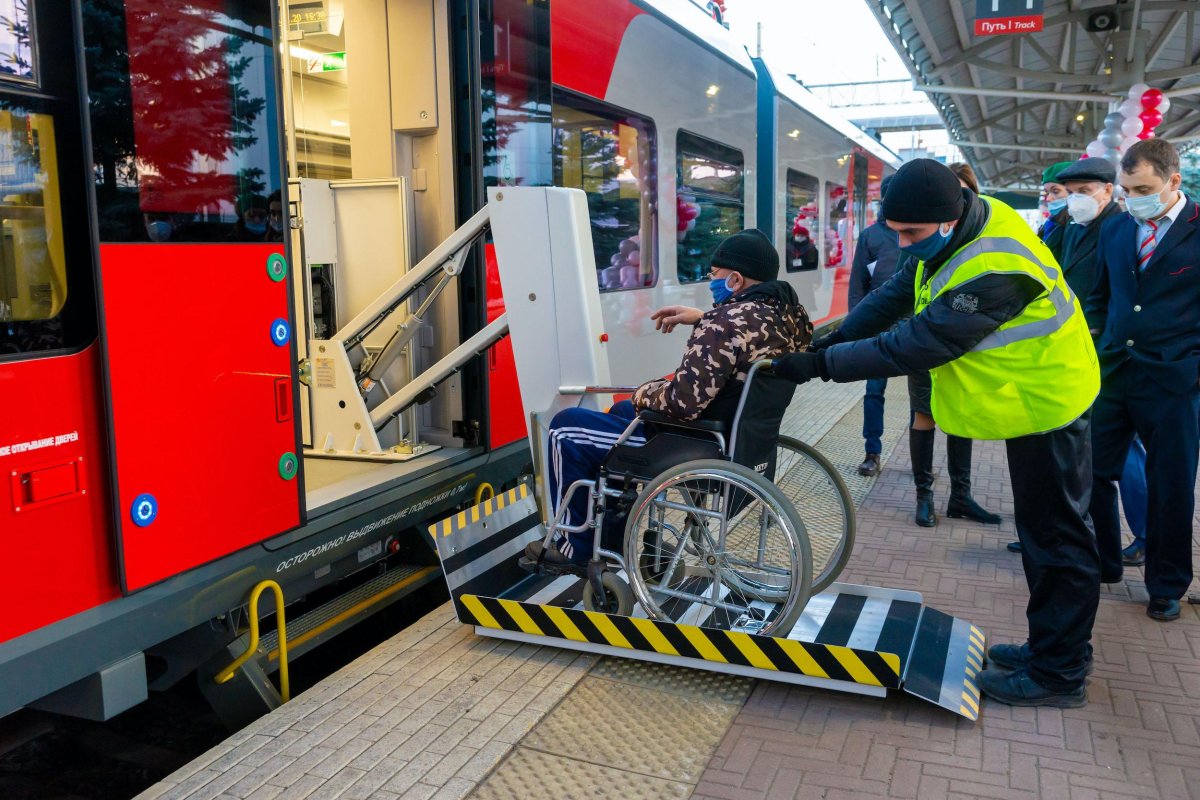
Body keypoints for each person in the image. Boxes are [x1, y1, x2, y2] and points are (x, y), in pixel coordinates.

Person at [775, 159, 1101, 707]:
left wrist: (820, 367)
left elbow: (916, 344)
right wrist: (828, 342)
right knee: (1043, 533)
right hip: (1027, 397)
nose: (903, 244)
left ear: (947, 221)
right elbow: (896, 294)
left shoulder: (995, 265)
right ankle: (1052, 646)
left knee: (1057, 538)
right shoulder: (963, 223)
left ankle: (1060, 673)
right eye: (895, 232)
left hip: (1048, 401)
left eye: (911, 234)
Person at [529, 229, 812, 565]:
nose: (712, 282)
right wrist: (703, 318)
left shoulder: (722, 324)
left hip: (694, 444)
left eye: (715, 275)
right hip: (742, 442)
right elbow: (746, 337)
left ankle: (574, 547)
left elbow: (683, 403)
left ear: (735, 280)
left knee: (567, 429)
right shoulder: (789, 321)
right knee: (621, 412)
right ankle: (611, 537)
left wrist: (644, 392)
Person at [1005, 158, 1148, 556]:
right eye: (1070, 193)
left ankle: (1144, 535)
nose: (1074, 199)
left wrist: (1106, 346)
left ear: (1108, 190)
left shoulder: (1121, 228)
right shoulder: (1071, 227)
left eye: (1084, 192)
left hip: (1108, 355)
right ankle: (1063, 531)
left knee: (1121, 453)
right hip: (1069, 352)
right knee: (1072, 454)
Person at [1085, 138, 1199, 622]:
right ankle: (1104, 562)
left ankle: (1166, 584)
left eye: (1144, 190)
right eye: (1127, 190)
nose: (1133, 199)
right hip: (1114, 372)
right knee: (1090, 470)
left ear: (1174, 181)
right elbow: (1100, 296)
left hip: (1174, 380)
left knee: (1171, 484)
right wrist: (1096, 347)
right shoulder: (1117, 228)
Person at [849, 173, 999, 526]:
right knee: (919, 411)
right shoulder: (894, 240)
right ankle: (921, 493)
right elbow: (878, 290)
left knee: (958, 413)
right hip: (908, 332)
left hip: (948, 339)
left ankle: (961, 496)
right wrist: (846, 335)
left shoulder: (972, 243)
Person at [1039, 161, 1073, 262]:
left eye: (1055, 191)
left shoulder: (1075, 226)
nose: (1048, 198)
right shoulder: (1052, 222)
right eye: (1047, 192)